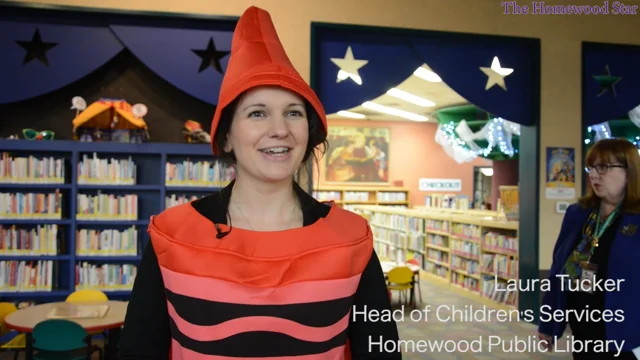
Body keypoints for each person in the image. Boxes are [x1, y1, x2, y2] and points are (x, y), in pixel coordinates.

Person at [117, 6, 401, 360]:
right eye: (258, 112)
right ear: (228, 137)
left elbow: (381, 352)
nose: (279, 129)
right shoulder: (171, 237)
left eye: (293, 112)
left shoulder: (352, 238)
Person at [537, 138, 640, 359]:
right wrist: (548, 322)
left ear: (629, 171)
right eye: (591, 167)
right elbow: (558, 269)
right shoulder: (578, 213)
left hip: (626, 337)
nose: (594, 175)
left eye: (603, 167)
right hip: (583, 329)